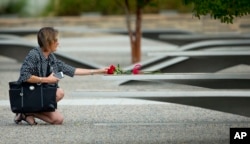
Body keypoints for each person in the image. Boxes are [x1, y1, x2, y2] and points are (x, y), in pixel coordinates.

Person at [14, 27, 108, 125]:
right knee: (59, 92)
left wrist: (99, 71)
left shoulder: (51, 57)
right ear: (48, 41)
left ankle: (26, 112)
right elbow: (25, 76)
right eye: (56, 40)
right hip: (28, 93)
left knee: (58, 120)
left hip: (40, 93)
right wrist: (47, 79)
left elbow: (72, 70)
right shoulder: (34, 55)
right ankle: (26, 108)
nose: (58, 43)